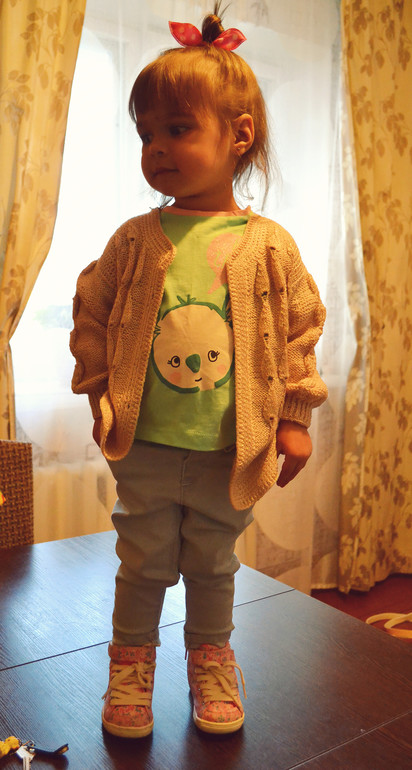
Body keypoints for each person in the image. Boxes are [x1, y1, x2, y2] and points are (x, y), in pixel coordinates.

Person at [70, 2, 327, 739]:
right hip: (147, 448)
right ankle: (130, 668)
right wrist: (99, 391)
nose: (156, 148)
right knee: (142, 562)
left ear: (238, 136)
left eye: (177, 129)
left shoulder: (269, 245)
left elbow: (300, 331)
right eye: (146, 134)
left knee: (214, 565)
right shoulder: (134, 239)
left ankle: (211, 662)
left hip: (228, 450)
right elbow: (92, 313)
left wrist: (293, 418)